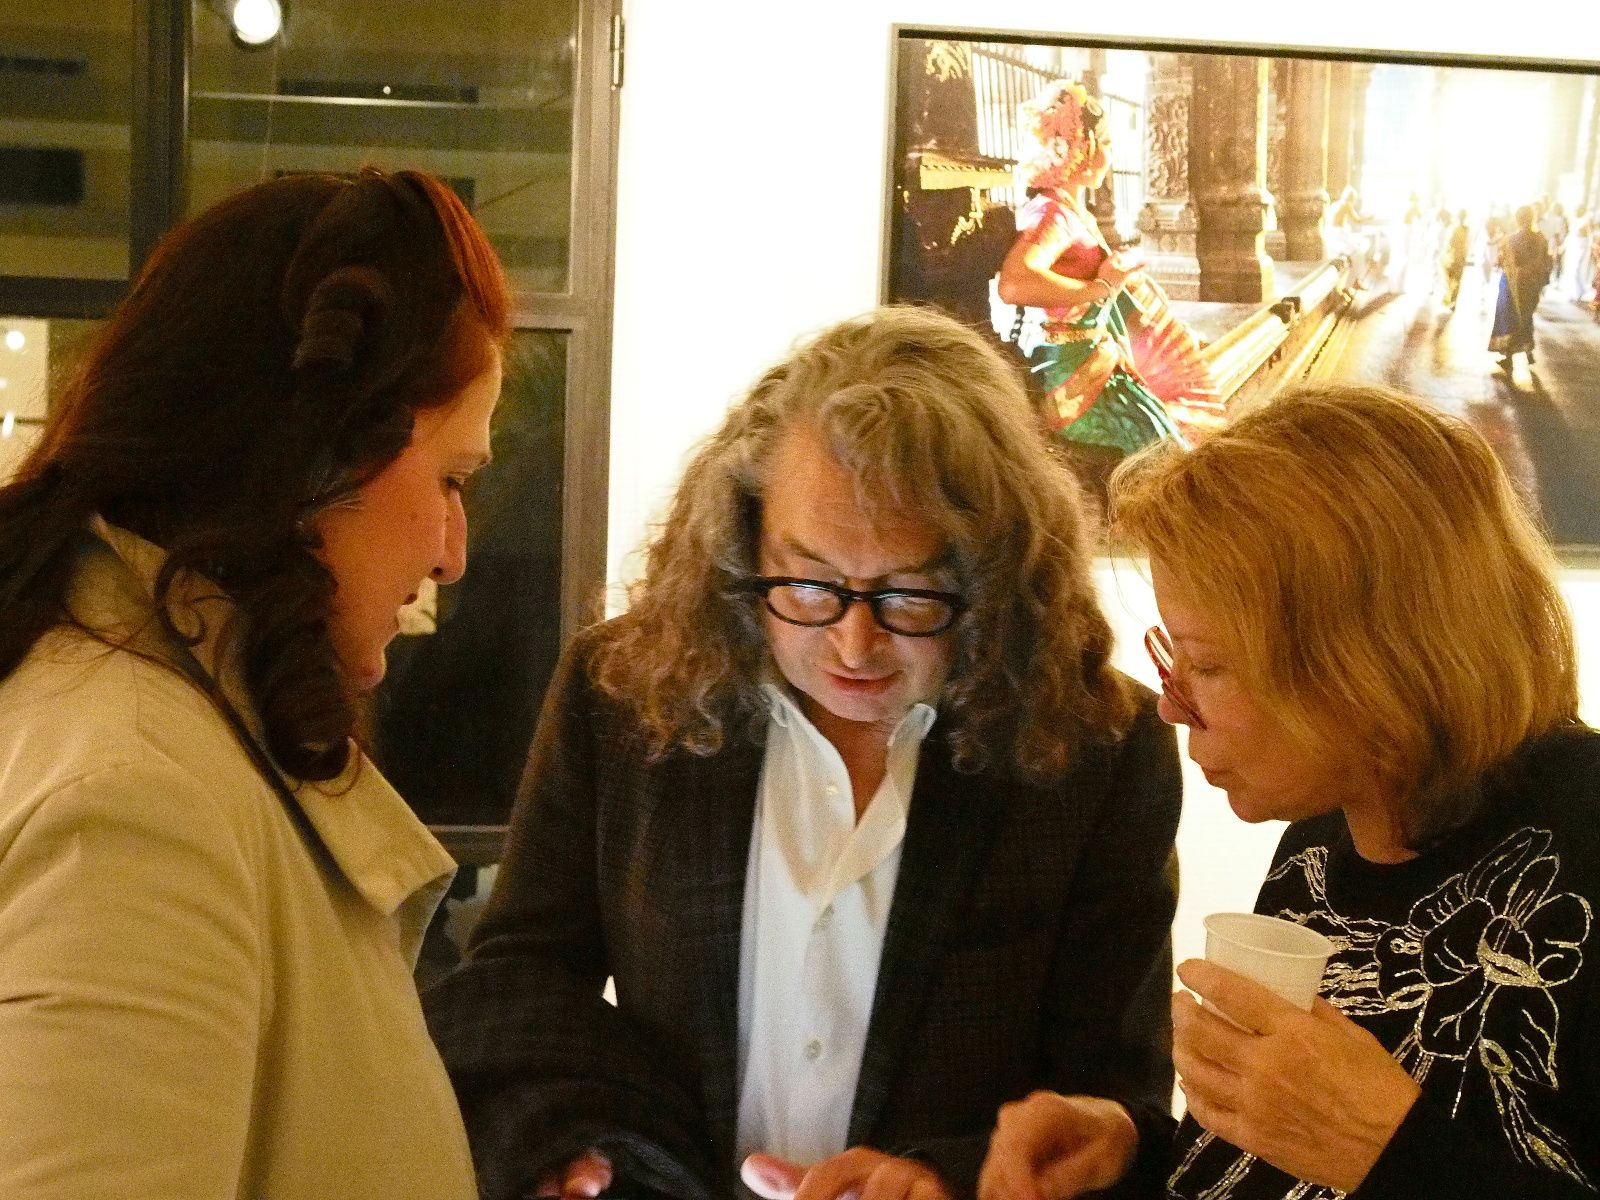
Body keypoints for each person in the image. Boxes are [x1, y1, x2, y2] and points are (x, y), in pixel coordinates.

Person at [425, 306, 1183, 1200]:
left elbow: (1115, 1104)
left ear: (994, 570)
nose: (854, 646)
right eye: (811, 583)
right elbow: (519, 981)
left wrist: (941, 1178)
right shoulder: (623, 690)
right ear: (743, 540)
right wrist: (560, 1142)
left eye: (911, 595)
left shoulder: (1100, 748)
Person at [0, 167, 511, 1197]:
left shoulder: (142, 716)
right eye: (451, 479)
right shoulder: (142, 804)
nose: (453, 553)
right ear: (318, 459)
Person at [977, 382, 1600, 1200]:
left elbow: (1373, 1158)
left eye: (1205, 665)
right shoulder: (1323, 839)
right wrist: (1132, 1155)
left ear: (1366, 659)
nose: (1171, 704)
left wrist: (1383, 1149)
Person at [996, 78, 1219, 498]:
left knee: (1171, 446)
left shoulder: (1070, 210)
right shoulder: (1052, 213)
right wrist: (1100, 287)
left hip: (1095, 357)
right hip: (1070, 374)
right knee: (1165, 455)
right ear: (1084, 147)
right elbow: (1015, 283)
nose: (1110, 155)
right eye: (1108, 143)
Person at [1489, 204, 1551, 369]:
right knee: (1526, 317)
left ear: (1517, 219)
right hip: (1531, 285)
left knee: (1509, 319)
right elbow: (1543, 262)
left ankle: (1509, 355)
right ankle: (1528, 351)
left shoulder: (1511, 239)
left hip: (1511, 285)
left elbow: (1501, 261)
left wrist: (1516, 270)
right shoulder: (1540, 238)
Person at [1438, 208, 1470, 311]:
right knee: (1456, 280)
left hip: (1452, 257)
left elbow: (1450, 243)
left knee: (1451, 279)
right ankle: (1452, 300)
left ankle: (1450, 299)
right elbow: (1467, 244)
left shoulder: (1455, 228)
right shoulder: (1466, 229)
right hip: (1460, 257)